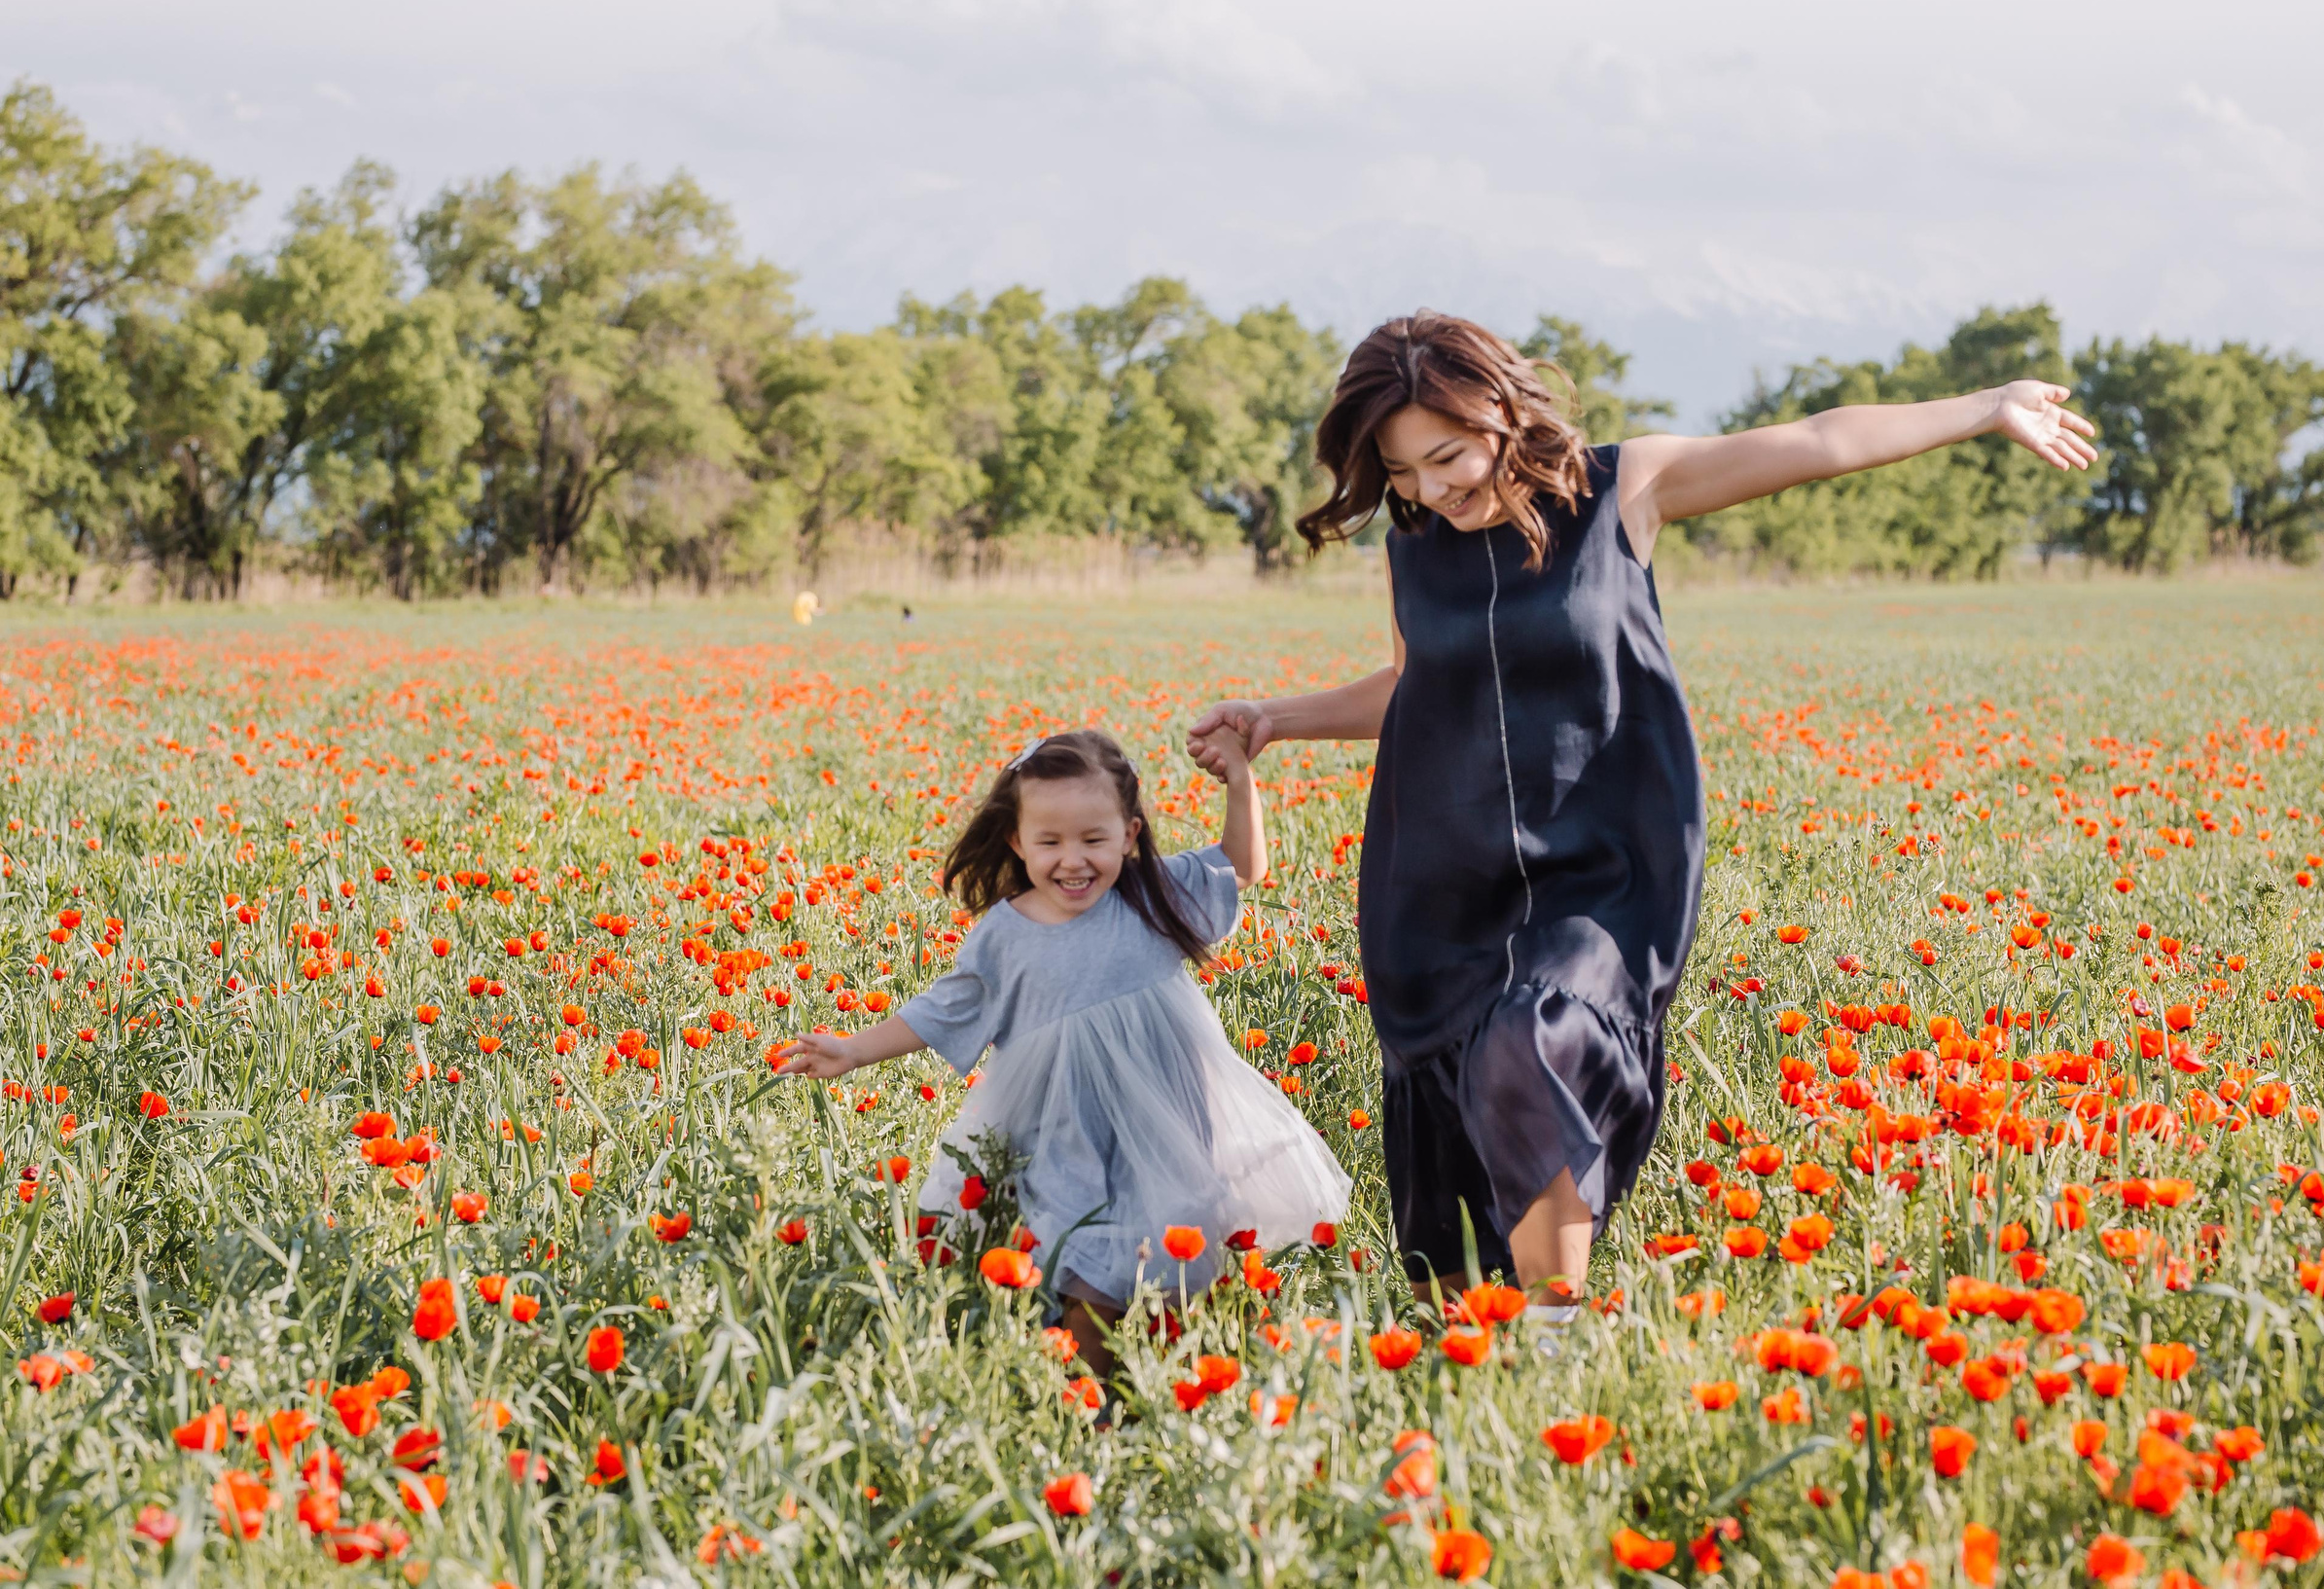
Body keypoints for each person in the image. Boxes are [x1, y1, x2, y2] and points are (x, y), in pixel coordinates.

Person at [1187, 310, 2094, 1322]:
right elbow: (1415, 684)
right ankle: (1463, 1357)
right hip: (1441, 875)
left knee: (1534, 1040)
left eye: (1444, 458)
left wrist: (1987, 407)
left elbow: (1817, 440)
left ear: (1499, 412)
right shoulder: (1415, 554)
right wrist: (1277, 718)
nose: (1431, 490)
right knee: (1445, 1134)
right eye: (1402, 473)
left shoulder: (1621, 489)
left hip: (1599, 873)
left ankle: (1554, 1333)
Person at [774, 726, 1348, 1372]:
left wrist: (1240, 781)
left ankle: (1180, 1383)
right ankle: (1088, 1401)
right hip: (1066, 1129)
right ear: (1017, 841)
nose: (1072, 861)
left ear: (1129, 834)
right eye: (1049, 842)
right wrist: (853, 1050)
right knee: (1083, 1273)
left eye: (1093, 840)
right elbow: (946, 1006)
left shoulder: (1151, 893)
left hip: (1163, 1119)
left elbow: (1241, 867)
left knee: (1173, 1254)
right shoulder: (1008, 934)